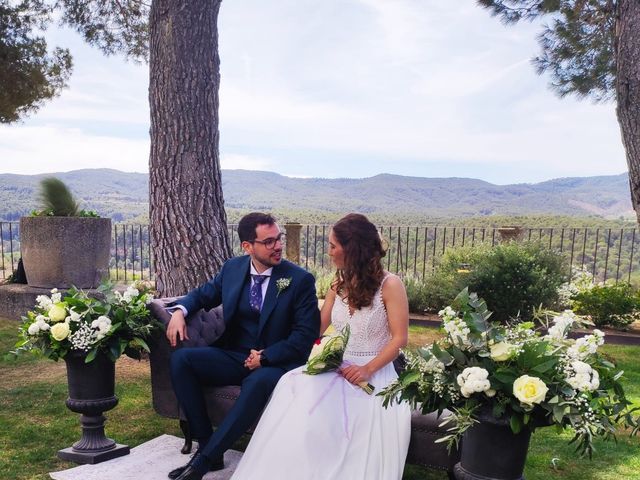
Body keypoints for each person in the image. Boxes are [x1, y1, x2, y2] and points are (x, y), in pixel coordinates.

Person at [231, 213, 411, 480]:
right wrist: (272, 349)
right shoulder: (337, 284)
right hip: (337, 367)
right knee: (292, 386)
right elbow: (314, 329)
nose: (329, 252)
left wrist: (366, 369)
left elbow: (400, 339)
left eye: (333, 246)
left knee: (351, 419)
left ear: (352, 249)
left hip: (375, 370)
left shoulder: (391, 285)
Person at [165, 212, 320, 480]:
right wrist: (179, 311)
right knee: (182, 360)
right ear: (248, 246)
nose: (278, 246)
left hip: (276, 362)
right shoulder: (232, 269)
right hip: (236, 355)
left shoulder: (299, 280)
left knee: (258, 383)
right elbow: (203, 295)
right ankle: (206, 443)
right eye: (269, 241)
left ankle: (202, 462)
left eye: (278, 238)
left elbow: (304, 337)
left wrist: (266, 357)